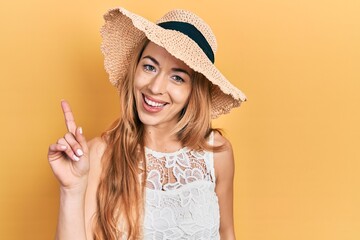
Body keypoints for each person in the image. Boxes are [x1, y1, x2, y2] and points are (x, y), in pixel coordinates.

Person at [48, 7, 246, 240]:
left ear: (195, 91)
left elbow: (226, 233)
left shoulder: (216, 152)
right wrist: (71, 189)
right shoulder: (99, 154)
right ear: (135, 69)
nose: (155, 87)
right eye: (150, 67)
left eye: (177, 77)